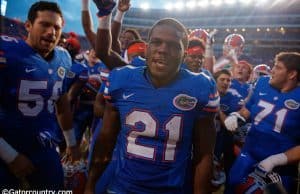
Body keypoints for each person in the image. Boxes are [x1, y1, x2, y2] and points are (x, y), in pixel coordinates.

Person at [85, 2, 219, 193]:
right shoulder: (123, 78)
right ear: (147, 48)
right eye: (156, 42)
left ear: (184, 54)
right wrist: (90, 186)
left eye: (173, 45)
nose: (163, 49)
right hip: (123, 188)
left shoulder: (201, 87)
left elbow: (204, 154)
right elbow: (105, 142)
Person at [0, 1, 79, 189]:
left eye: (57, 27)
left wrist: (72, 142)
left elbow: (61, 101)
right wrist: (10, 155)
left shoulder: (64, 57)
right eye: (44, 24)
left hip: (44, 147)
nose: (52, 32)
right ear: (28, 25)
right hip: (6, 144)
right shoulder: (7, 53)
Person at [224, 52, 300, 194]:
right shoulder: (263, 82)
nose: (272, 70)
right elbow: (248, 108)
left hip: (281, 169)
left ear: (291, 74)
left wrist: (276, 160)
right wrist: (236, 116)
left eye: (277, 67)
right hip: (248, 156)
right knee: (232, 188)